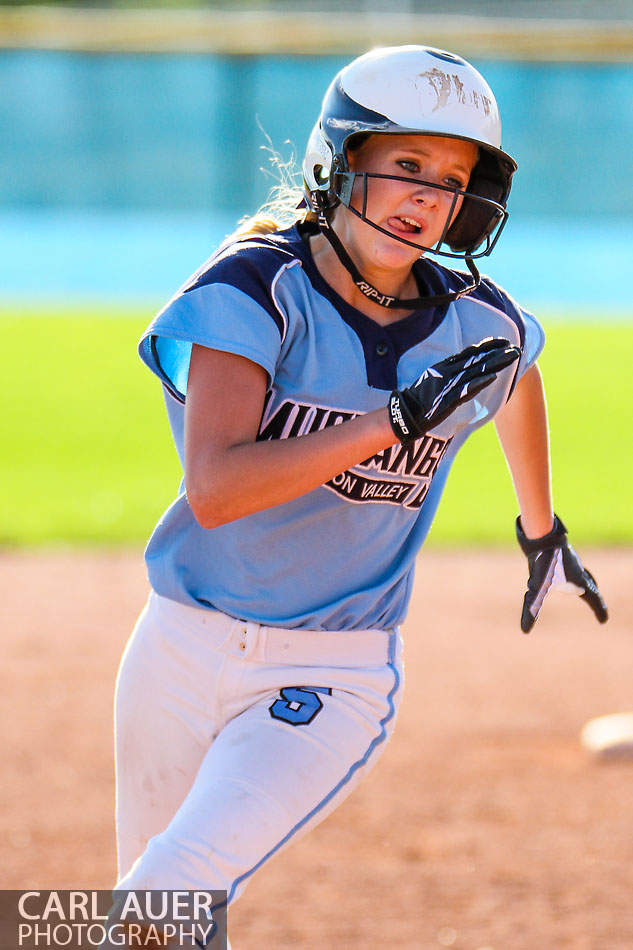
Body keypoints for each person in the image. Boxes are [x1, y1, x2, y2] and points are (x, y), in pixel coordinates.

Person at [111, 45, 608, 947]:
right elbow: (216, 488)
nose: (429, 197)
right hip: (178, 644)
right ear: (335, 165)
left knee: (159, 893)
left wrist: (540, 528)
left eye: (452, 181)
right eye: (406, 167)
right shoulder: (255, 289)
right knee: (174, 914)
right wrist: (394, 418)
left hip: (329, 670)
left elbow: (518, 375)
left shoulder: (472, 320)